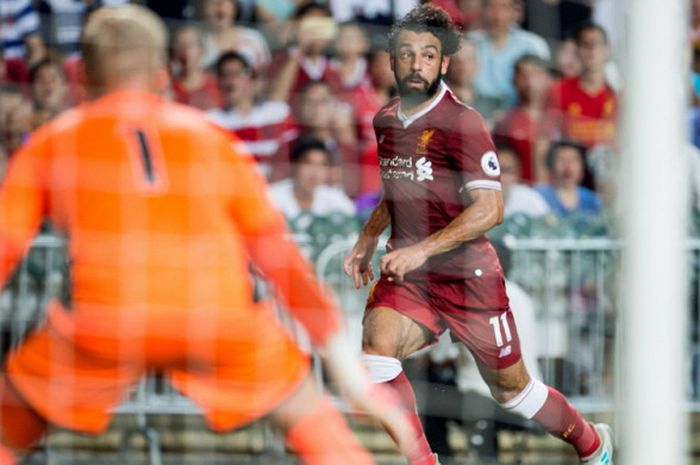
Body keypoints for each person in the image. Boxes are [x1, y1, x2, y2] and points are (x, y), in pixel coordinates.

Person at [0, 5, 415, 465]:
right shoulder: (212, 140)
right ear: (162, 76)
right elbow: (279, 259)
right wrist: (347, 371)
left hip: (107, 317)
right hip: (214, 316)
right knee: (312, 420)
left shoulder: (52, 142)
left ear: (82, 82)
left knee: (9, 424)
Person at [342, 5, 613, 465]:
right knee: (374, 355)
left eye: (428, 55)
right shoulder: (386, 119)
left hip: (469, 278)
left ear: (444, 63)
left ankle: (592, 441)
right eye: (405, 54)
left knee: (514, 392)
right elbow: (397, 186)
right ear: (391, 61)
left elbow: (491, 208)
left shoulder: (462, 122)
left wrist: (421, 250)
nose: (416, 64)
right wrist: (369, 237)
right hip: (413, 279)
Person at [207, 51, 295, 179]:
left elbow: (294, 155)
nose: (230, 81)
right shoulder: (212, 121)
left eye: (236, 73)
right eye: (225, 75)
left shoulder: (277, 113)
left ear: (250, 77)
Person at [492, 54, 552, 184]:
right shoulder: (504, 121)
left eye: (536, 74)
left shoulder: (560, 119)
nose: (530, 81)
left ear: (547, 79)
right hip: (518, 193)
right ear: (514, 80)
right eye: (524, 75)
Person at [268, 135, 356, 220]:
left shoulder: (334, 198)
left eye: (322, 165)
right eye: (308, 163)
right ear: (293, 165)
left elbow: (353, 223)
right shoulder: (272, 198)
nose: (315, 172)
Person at [536, 140, 602, 217]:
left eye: (573, 160)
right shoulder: (539, 196)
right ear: (551, 165)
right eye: (561, 159)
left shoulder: (592, 200)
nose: (568, 167)